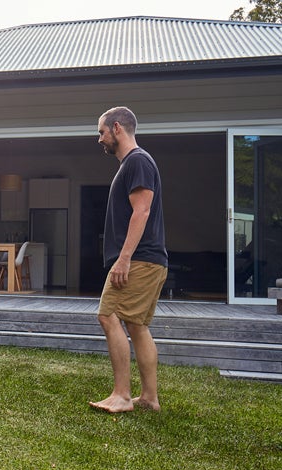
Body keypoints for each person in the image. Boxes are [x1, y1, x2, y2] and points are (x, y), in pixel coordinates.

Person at [89, 106, 168, 413]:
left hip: (139, 260)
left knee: (108, 315)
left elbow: (142, 211)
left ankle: (122, 395)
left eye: (101, 132)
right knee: (136, 325)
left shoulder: (137, 161)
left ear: (117, 128)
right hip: (148, 259)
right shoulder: (135, 163)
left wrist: (123, 259)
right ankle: (149, 398)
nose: (99, 139)